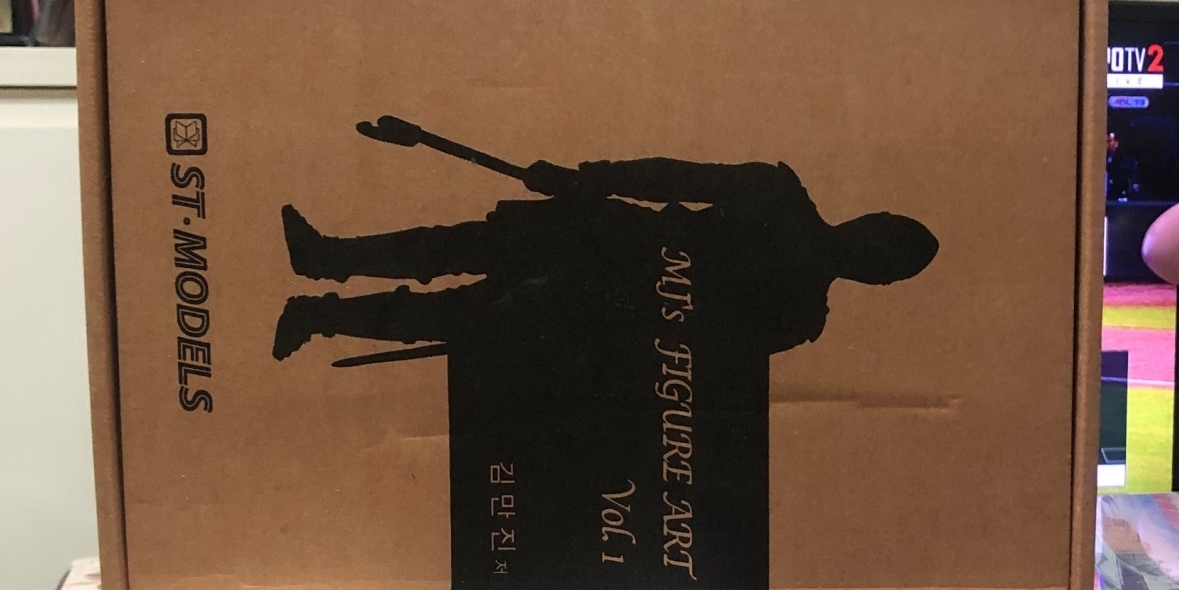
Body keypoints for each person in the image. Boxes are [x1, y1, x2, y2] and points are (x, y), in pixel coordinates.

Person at [272, 153, 938, 362]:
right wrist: (584, 179)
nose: (869, 248)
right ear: (870, 219)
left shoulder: (797, 317)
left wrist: (585, 181)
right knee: (446, 252)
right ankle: (324, 262)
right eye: (881, 236)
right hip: (593, 239)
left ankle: (319, 311)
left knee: (449, 309)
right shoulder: (778, 197)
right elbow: (673, 177)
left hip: (593, 307)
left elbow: (687, 353)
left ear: (877, 277)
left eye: (883, 256)